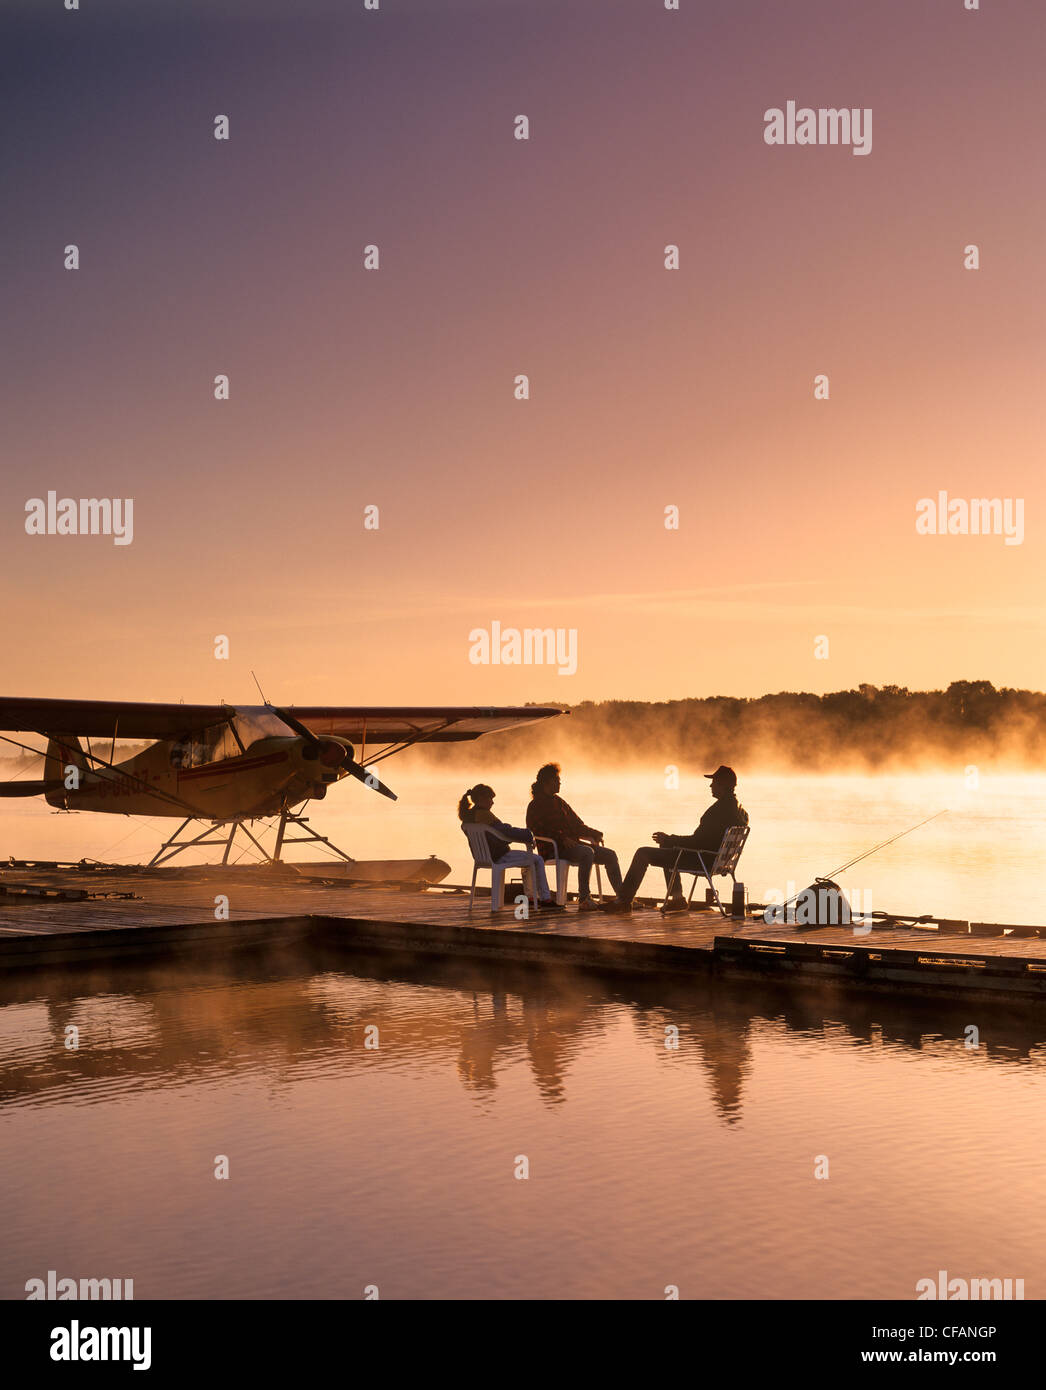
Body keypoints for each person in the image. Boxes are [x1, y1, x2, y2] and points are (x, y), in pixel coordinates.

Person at [608, 765, 749, 912]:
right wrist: (669, 841)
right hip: (718, 861)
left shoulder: (717, 811)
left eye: (714, 782)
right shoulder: (740, 811)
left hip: (702, 859)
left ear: (723, 785)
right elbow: (703, 840)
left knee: (642, 853)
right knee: (666, 846)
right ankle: (677, 899)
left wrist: (670, 839)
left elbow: (697, 842)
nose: (711, 785)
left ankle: (624, 901)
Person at [525, 763, 625, 911]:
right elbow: (537, 830)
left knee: (610, 855)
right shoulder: (535, 805)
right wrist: (561, 838)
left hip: (572, 846)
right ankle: (584, 898)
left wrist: (594, 833)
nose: (559, 783)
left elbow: (577, 824)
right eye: (556, 780)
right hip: (553, 848)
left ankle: (623, 898)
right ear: (546, 782)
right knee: (587, 853)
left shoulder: (559, 802)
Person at [458, 784, 565, 912]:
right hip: (499, 856)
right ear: (481, 799)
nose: (492, 802)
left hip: (482, 857)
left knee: (529, 860)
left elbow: (494, 833)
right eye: (490, 799)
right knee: (537, 860)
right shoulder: (484, 815)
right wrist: (528, 834)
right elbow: (505, 831)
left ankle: (531, 899)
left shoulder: (468, 817)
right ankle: (545, 899)